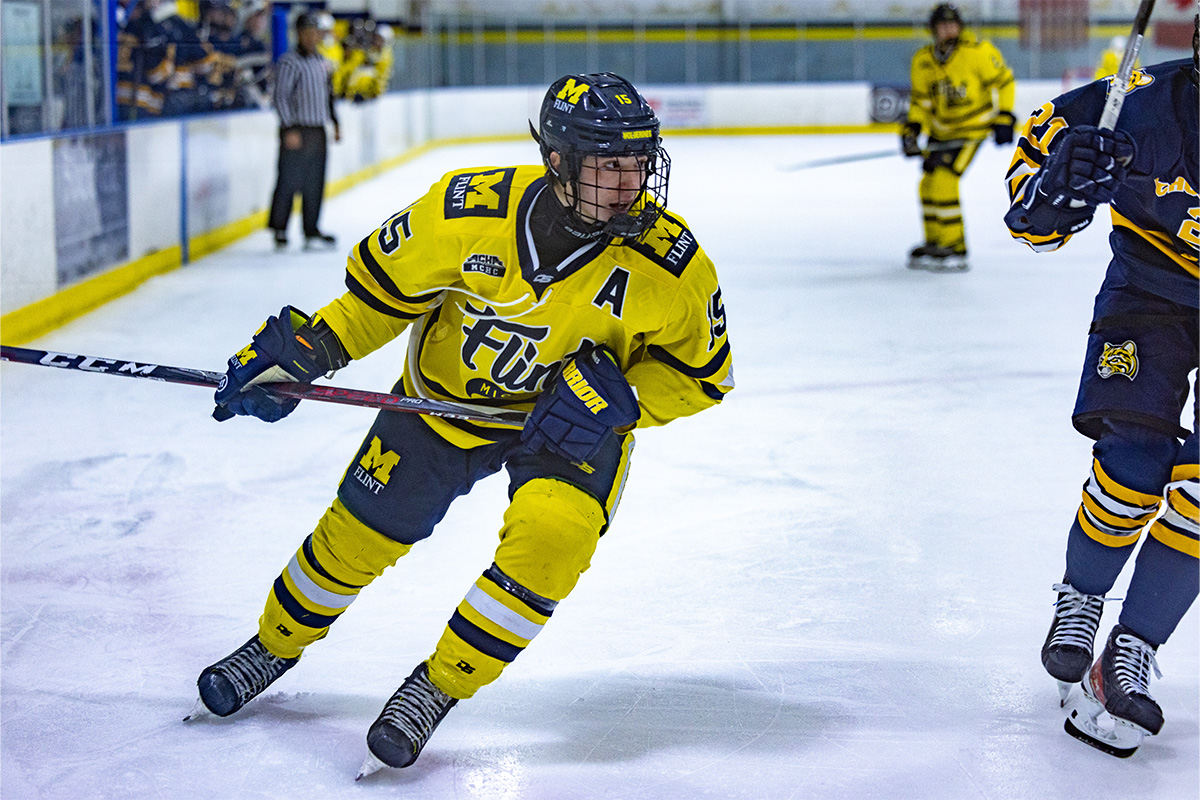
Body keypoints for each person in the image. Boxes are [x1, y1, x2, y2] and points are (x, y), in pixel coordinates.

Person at [190, 72, 734, 778]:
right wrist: (312, 348)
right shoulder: (464, 212)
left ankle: (435, 689)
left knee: (553, 539)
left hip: (567, 434)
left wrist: (621, 397)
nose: (631, 184)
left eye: (639, 163)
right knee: (352, 537)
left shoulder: (672, 266)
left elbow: (703, 378)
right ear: (559, 162)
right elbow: (378, 299)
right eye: (610, 165)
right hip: (439, 406)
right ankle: (273, 643)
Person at [1003, 16, 1198, 757]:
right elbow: (1029, 218)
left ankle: (1132, 650)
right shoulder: (1138, 105)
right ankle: (1081, 598)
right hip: (1149, 295)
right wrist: (1057, 190)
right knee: (1133, 465)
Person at [902, 3, 1015, 271]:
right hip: (940, 133)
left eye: (953, 25)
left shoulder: (978, 53)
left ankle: (955, 246)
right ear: (934, 30)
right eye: (943, 26)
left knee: (944, 178)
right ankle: (935, 241)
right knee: (927, 184)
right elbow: (920, 102)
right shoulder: (923, 61)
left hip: (971, 131)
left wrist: (1005, 117)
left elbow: (1005, 81)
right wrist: (911, 130)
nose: (949, 30)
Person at [267, 11, 340, 252]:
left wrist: (335, 122)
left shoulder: (321, 61)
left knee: (314, 181)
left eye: (315, 32)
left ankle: (311, 229)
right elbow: (281, 97)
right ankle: (280, 229)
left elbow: (327, 96)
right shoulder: (290, 62)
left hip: (317, 130)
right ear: (298, 34)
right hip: (297, 130)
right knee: (288, 180)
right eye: (307, 32)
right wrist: (288, 127)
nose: (311, 37)